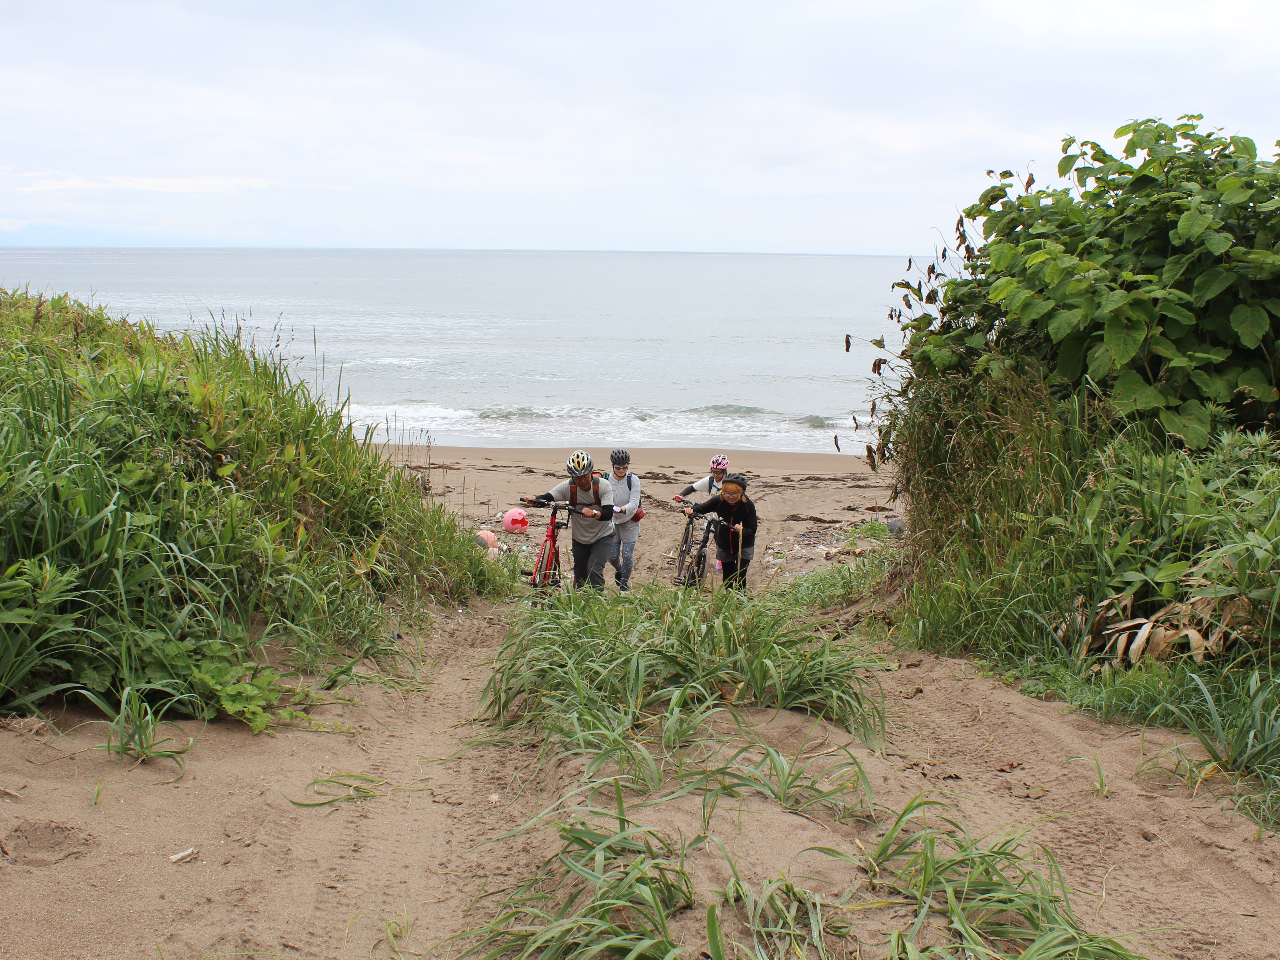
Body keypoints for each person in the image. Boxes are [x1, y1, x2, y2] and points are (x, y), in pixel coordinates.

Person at [522, 450, 615, 589]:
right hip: (580, 538)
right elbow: (548, 497)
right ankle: (581, 604)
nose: (582, 481)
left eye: (585, 476)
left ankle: (596, 605)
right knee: (580, 575)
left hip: (603, 535)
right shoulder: (568, 487)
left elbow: (608, 513)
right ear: (572, 476)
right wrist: (534, 499)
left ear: (591, 471)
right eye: (577, 478)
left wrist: (594, 513)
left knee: (594, 571)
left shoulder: (603, 486)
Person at [682, 472, 757, 590]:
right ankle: (728, 598)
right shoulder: (719, 500)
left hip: (744, 543)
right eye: (727, 493)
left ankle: (740, 600)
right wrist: (691, 510)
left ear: (741, 493)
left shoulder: (748, 505)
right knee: (727, 576)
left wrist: (741, 530)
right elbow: (703, 508)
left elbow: (752, 529)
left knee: (740, 575)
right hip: (725, 542)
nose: (730, 496)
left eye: (734, 494)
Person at [605, 448, 641, 592]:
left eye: (625, 467)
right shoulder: (606, 479)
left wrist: (622, 509)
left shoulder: (633, 480)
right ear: (613, 466)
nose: (621, 470)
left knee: (627, 555)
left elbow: (634, 502)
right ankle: (619, 570)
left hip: (630, 521)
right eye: (618, 467)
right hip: (612, 522)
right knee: (612, 556)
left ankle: (624, 585)